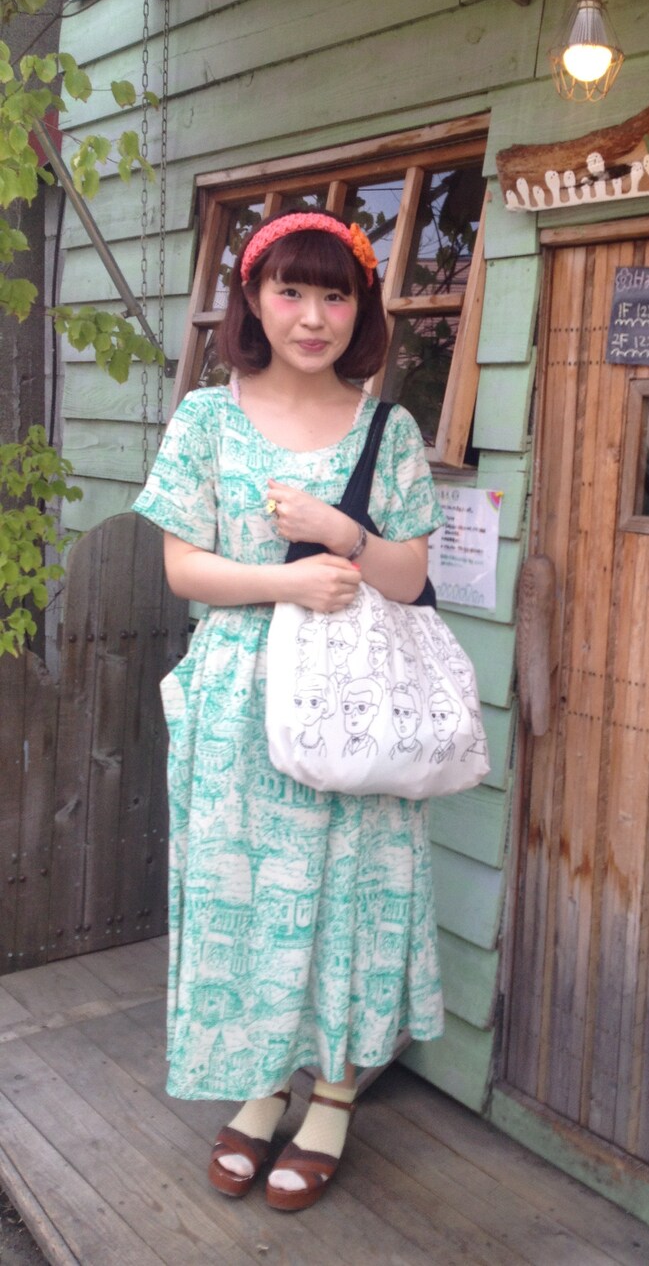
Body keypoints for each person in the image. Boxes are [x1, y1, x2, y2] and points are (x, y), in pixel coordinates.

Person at [132, 209, 445, 1212]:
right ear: (255, 302)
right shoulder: (206, 420)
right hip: (239, 703)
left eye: (334, 295)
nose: (312, 316)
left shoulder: (387, 430)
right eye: (290, 291)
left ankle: (335, 1094)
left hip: (355, 708)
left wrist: (341, 534)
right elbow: (184, 566)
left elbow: (409, 577)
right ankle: (263, 1085)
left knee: (348, 895)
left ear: (360, 310)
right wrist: (289, 582)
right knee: (247, 897)